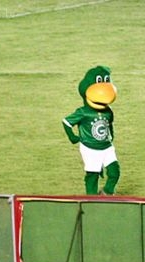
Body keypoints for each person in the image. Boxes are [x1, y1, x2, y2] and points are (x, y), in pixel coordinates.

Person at [62, 65, 121, 195]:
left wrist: (111, 137)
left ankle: (107, 192)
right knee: (92, 175)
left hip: (106, 146)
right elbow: (66, 122)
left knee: (114, 171)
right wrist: (73, 137)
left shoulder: (108, 111)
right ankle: (91, 198)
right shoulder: (83, 112)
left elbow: (109, 124)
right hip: (90, 148)